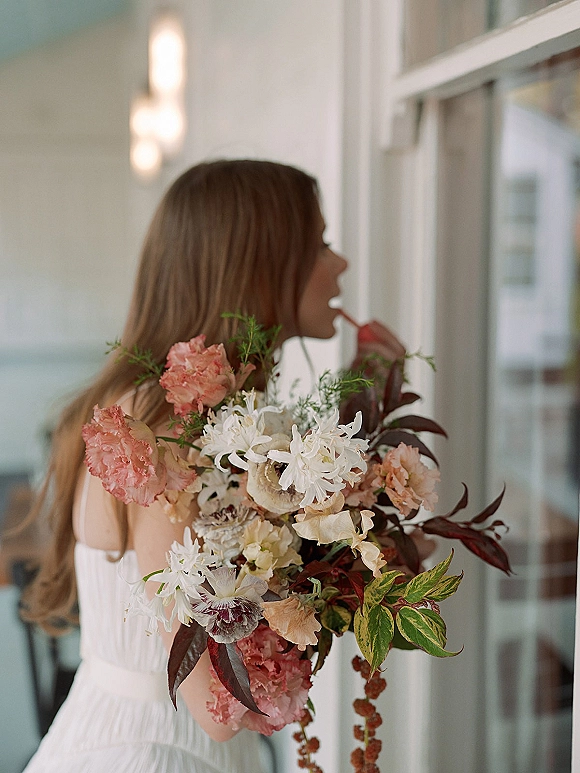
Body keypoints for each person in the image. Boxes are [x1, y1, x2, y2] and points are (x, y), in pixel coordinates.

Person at [21, 159, 404, 773]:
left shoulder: (213, 420)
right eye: (321, 244)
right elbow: (216, 703)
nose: (340, 264)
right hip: (150, 754)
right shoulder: (165, 431)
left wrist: (372, 399)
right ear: (260, 265)